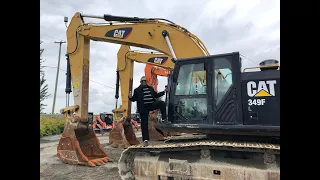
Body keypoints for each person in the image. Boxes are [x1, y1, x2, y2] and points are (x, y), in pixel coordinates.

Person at [128, 76, 168, 146]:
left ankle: (164, 119)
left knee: (162, 103)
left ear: (147, 81)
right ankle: (145, 140)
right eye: (142, 81)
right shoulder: (137, 90)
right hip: (143, 108)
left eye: (145, 81)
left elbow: (156, 95)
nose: (143, 82)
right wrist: (130, 97)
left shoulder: (150, 88)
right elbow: (134, 99)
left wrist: (164, 91)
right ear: (140, 82)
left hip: (151, 105)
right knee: (144, 123)